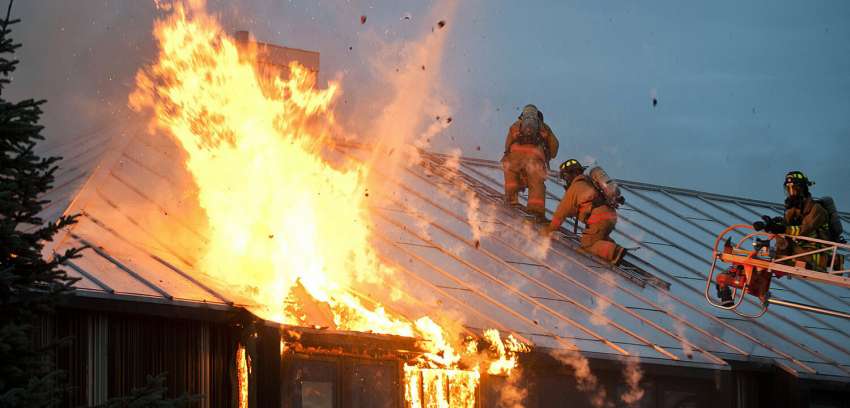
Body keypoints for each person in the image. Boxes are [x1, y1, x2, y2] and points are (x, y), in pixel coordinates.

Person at [544, 159, 626, 266]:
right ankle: (609, 247)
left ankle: (614, 252)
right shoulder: (590, 183)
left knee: (587, 244)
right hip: (610, 216)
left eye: (565, 177)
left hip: (599, 218)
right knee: (597, 236)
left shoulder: (575, 187)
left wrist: (549, 229)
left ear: (571, 174)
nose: (565, 180)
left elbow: (561, 213)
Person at [753, 170, 833, 270]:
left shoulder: (817, 209)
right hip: (802, 252)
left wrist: (781, 229)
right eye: (788, 188)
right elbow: (785, 225)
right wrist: (769, 225)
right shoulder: (793, 210)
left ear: (803, 188)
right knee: (779, 240)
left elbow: (803, 229)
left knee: (782, 243)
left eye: (794, 188)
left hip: (816, 255)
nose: (791, 193)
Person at [501, 104, 559, 223]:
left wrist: (509, 156)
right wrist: (547, 156)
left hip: (515, 156)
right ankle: (535, 212)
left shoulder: (516, 125)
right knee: (536, 183)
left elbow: (507, 145)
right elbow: (554, 147)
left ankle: (511, 200)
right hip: (535, 156)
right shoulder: (544, 127)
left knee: (511, 175)